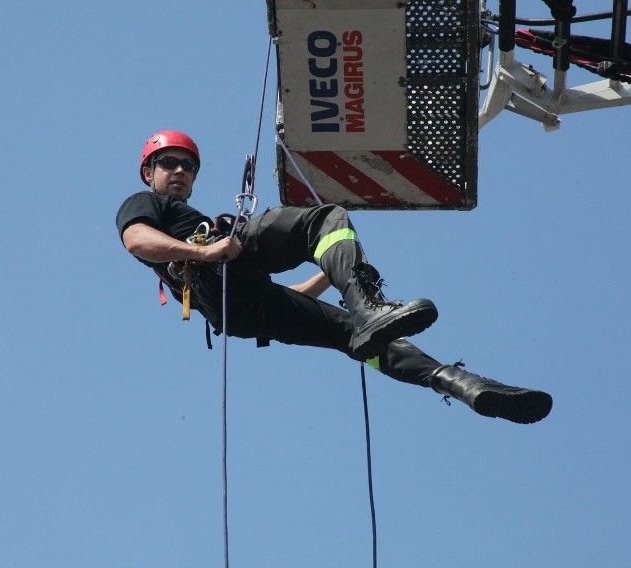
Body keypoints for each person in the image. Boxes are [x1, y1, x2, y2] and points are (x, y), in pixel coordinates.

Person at [116, 130, 553, 424]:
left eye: (187, 166)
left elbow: (287, 296)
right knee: (323, 220)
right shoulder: (145, 205)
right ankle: (370, 309)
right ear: (148, 172)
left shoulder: (200, 230)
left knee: (352, 332)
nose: (179, 171)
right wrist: (205, 249)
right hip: (219, 270)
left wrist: (334, 271)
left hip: (242, 308)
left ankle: (459, 383)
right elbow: (135, 240)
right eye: (168, 162)